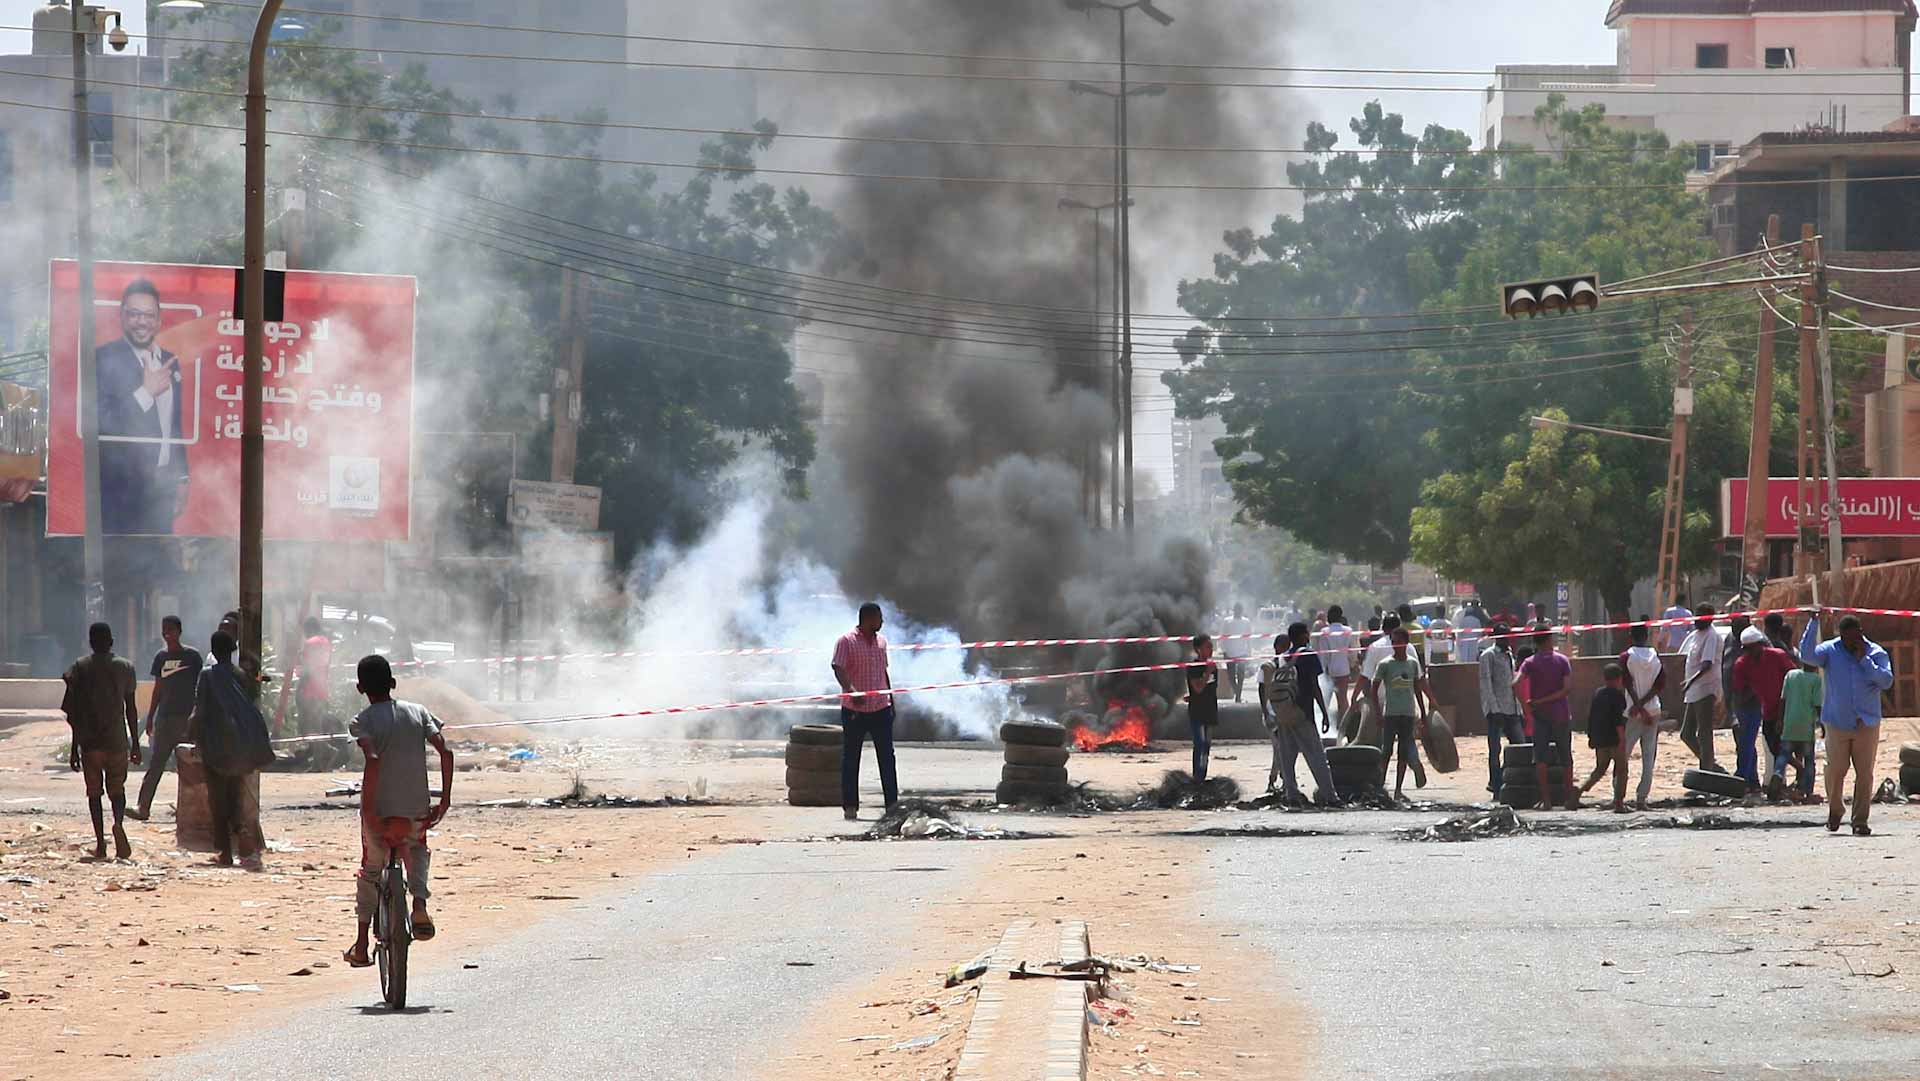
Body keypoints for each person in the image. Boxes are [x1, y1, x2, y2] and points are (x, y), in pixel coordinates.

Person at [343, 655, 453, 968]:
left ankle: (361, 944)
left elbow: (373, 758)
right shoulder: (419, 712)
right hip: (415, 808)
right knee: (417, 849)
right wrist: (444, 799)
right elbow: (445, 751)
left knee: (370, 870)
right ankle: (419, 904)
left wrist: (369, 810)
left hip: (379, 811)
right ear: (393, 683)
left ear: (360, 688)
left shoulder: (361, 721)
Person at [96, 278, 189, 535]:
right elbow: (101, 423)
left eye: (149, 315)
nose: (142, 321)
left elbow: (173, 424)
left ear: (158, 321)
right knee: (123, 560)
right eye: (134, 314)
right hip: (120, 492)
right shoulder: (103, 358)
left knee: (159, 559)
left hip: (163, 487)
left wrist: (182, 477)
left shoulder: (169, 361)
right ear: (122, 317)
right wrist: (146, 393)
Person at [188, 631, 276, 867]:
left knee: (218, 800)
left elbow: (200, 710)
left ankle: (225, 851)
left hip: (217, 745)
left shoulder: (207, 675)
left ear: (213, 651)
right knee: (235, 795)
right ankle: (242, 831)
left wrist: (194, 739)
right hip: (241, 744)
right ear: (233, 651)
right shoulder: (241, 675)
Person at [1800, 615, 1895, 835]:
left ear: (1860, 633)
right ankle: (1835, 811)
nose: (1851, 643)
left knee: (1865, 774)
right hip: (1837, 722)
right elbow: (1807, 655)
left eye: (1855, 637)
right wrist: (1813, 623)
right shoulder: (1830, 651)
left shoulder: (1876, 653)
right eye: (1847, 639)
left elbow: (1886, 680)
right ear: (1841, 636)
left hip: (1866, 723)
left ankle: (1860, 820)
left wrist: (1864, 660)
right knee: (1835, 769)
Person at [61, 623, 140, 860]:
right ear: (111, 642)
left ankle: (100, 844)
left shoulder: (80, 667)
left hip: (90, 742)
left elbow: (74, 712)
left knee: (94, 793)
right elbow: (131, 709)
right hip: (116, 740)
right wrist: (136, 743)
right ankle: (118, 823)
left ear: (90, 643)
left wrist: (74, 748)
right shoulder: (125, 667)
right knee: (117, 789)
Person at [129, 615, 202, 821]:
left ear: (179, 631)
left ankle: (190, 809)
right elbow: (158, 689)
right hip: (165, 718)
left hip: (186, 718)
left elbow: (200, 686)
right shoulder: (161, 657)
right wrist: (150, 717)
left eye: (170, 629)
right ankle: (143, 807)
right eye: (164, 629)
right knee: (157, 763)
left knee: (188, 764)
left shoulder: (192, 656)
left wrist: (197, 714)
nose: (167, 633)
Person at [832, 603, 899, 821]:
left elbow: (883, 672)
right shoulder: (846, 641)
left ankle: (892, 806)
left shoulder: (882, 642)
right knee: (851, 758)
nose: (882, 622)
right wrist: (851, 691)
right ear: (868, 618)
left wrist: (891, 700)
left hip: (880, 708)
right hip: (855, 711)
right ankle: (850, 806)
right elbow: (838, 667)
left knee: (887, 758)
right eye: (879, 617)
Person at [1262, 624, 1338, 805]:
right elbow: (1314, 685)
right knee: (1317, 756)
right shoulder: (1308, 655)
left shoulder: (1284, 657)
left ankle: (1292, 795)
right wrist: (1324, 712)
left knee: (1287, 758)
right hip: (1302, 713)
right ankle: (1330, 796)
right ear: (1304, 635)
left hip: (1283, 712)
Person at [1518, 626, 1576, 810]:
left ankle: (1546, 800)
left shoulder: (1529, 662)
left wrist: (1526, 706)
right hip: (1561, 714)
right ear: (1549, 639)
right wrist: (1544, 701)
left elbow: (1515, 683)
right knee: (1565, 756)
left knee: (1541, 758)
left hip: (1540, 716)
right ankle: (1569, 799)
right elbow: (1566, 689)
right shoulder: (1562, 660)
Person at [1369, 629, 1430, 799]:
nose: (1396, 645)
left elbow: (1417, 688)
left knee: (1403, 753)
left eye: (1399, 642)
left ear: (1406, 643)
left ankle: (1398, 790)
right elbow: (1374, 688)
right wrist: (1377, 713)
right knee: (1386, 752)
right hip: (1390, 714)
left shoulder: (1412, 664)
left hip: (1408, 713)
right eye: (1393, 642)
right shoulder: (1385, 664)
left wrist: (1423, 712)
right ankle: (1380, 788)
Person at [1730, 627, 1793, 790]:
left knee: (1794, 746)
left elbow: (1793, 677)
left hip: (1787, 707)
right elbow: (1740, 691)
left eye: (1753, 648)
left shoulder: (1777, 656)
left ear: (1760, 645)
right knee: (1772, 745)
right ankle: (1752, 780)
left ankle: (1796, 778)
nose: (1750, 652)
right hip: (1767, 710)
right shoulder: (1742, 664)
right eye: (1747, 649)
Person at [1619, 623, 1666, 810]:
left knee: (1624, 753)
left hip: (1632, 711)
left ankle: (1619, 795)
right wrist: (1645, 706)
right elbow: (1658, 686)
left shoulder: (1626, 657)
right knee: (1648, 755)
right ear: (1646, 636)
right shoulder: (1655, 657)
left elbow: (1627, 683)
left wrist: (1638, 706)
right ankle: (1642, 798)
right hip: (1653, 709)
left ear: (1630, 636)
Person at [1477, 622, 1525, 796]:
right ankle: (1496, 785)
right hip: (1496, 710)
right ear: (1496, 637)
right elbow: (1486, 684)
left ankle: (1501, 778)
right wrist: (1494, 709)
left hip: (1512, 708)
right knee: (1495, 750)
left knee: (1520, 746)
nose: (1506, 640)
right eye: (1503, 636)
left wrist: (1519, 708)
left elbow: (1512, 682)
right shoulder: (1488, 656)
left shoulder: (1509, 655)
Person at [1577, 664, 1630, 813]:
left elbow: (1592, 717)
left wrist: (1592, 737)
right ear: (1619, 679)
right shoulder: (1618, 696)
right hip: (1614, 739)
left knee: (1600, 769)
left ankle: (1579, 792)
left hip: (1600, 739)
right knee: (1622, 771)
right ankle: (1619, 803)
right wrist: (1622, 739)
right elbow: (1618, 720)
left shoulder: (1598, 693)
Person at [1678, 605, 1724, 770]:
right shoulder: (1695, 635)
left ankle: (1707, 770)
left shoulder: (1711, 636)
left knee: (1704, 733)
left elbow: (1707, 664)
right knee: (1686, 734)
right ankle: (1713, 767)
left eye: (1701, 616)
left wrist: (1691, 681)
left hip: (1705, 688)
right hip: (1693, 691)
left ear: (1709, 618)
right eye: (1696, 615)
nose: (1697, 619)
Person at [1772, 656, 1822, 804]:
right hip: (1806, 727)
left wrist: (1780, 720)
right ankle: (1807, 790)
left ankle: (1778, 773)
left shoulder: (1791, 675)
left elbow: (1783, 699)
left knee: (1783, 754)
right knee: (1809, 760)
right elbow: (1817, 704)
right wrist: (1823, 724)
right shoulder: (1815, 679)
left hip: (1789, 724)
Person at [1185, 634, 1220, 782]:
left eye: (1211, 646)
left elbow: (1211, 689)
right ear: (1198, 649)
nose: (1210, 650)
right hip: (1197, 712)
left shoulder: (1213, 667)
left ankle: (1203, 775)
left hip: (1210, 711)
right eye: (1207, 647)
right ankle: (1197, 777)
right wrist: (1207, 673)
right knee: (1199, 744)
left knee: (1207, 746)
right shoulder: (1193, 667)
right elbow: (1198, 688)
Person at [296, 617, 334, 737]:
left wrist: (300, 689)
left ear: (309, 628)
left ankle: (316, 747)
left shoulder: (310, 643)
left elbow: (307, 669)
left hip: (309, 690)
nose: (305, 634)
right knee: (317, 725)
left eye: (305, 631)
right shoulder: (326, 642)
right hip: (321, 689)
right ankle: (319, 746)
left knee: (307, 727)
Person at [1319, 605, 1356, 722]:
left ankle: (1325, 723)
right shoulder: (1348, 631)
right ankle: (1345, 725)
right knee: (1343, 700)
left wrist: (1322, 670)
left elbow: (1324, 654)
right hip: (1344, 669)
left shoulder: (1325, 632)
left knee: (1325, 700)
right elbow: (1353, 651)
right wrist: (1352, 664)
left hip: (1329, 670)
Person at [1223, 604, 1253, 704]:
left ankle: (1238, 697)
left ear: (1242, 611)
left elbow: (1249, 638)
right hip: (1229, 652)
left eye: (1240, 610)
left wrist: (1249, 652)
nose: (1238, 611)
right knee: (1231, 676)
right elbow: (1223, 636)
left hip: (1242, 652)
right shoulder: (1227, 621)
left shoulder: (1246, 622)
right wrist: (1224, 650)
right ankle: (1237, 692)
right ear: (1234, 610)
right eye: (1236, 609)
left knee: (1241, 676)